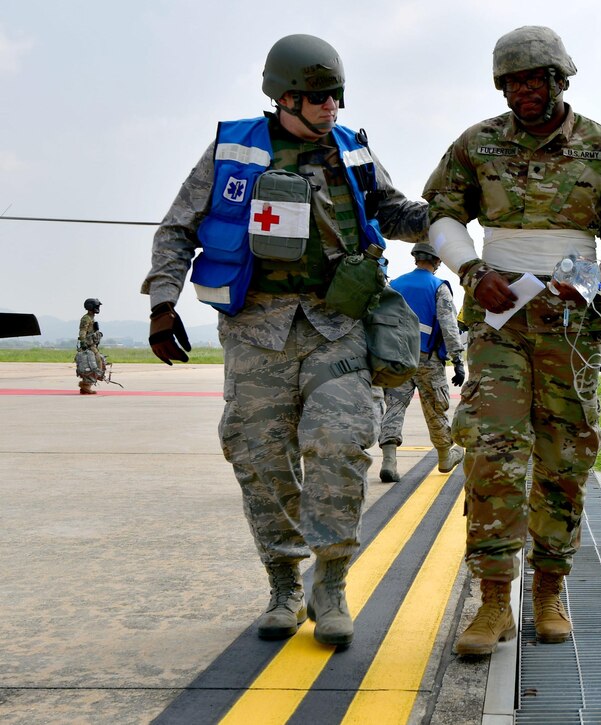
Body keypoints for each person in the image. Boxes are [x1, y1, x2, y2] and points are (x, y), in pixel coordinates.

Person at [140, 34, 428, 649]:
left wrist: (444, 213)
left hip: (337, 325)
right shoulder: (232, 150)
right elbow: (176, 229)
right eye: (318, 99)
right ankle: (282, 582)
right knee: (260, 458)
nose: (330, 109)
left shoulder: (352, 151)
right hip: (256, 331)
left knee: (342, 444)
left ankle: (331, 580)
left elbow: (395, 211)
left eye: (336, 98)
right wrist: (162, 303)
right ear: (282, 97)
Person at [423, 25, 601, 655]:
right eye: (513, 81)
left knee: (565, 457)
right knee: (493, 450)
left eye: (535, 79)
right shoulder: (477, 144)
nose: (524, 91)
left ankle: (548, 590)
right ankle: (493, 599)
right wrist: (472, 271)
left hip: (573, 325)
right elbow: (440, 213)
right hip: (499, 322)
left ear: (560, 80)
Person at [377, 242, 466, 483]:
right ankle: (445, 457)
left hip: (397, 358)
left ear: (416, 258)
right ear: (437, 262)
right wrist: (457, 358)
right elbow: (449, 326)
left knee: (394, 407)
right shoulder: (438, 287)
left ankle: (389, 461)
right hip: (428, 360)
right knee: (435, 407)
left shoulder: (394, 285)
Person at [77, 298, 105, 395]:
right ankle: (85, 386)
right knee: (93, 364)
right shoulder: (86, 318)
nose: (98, 308)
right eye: (97, 306)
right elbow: (82, 331)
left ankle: (86, 386)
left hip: (92, 345)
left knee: (98, 362)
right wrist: (83, 343)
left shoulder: (91, 318)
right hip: (88, 346)